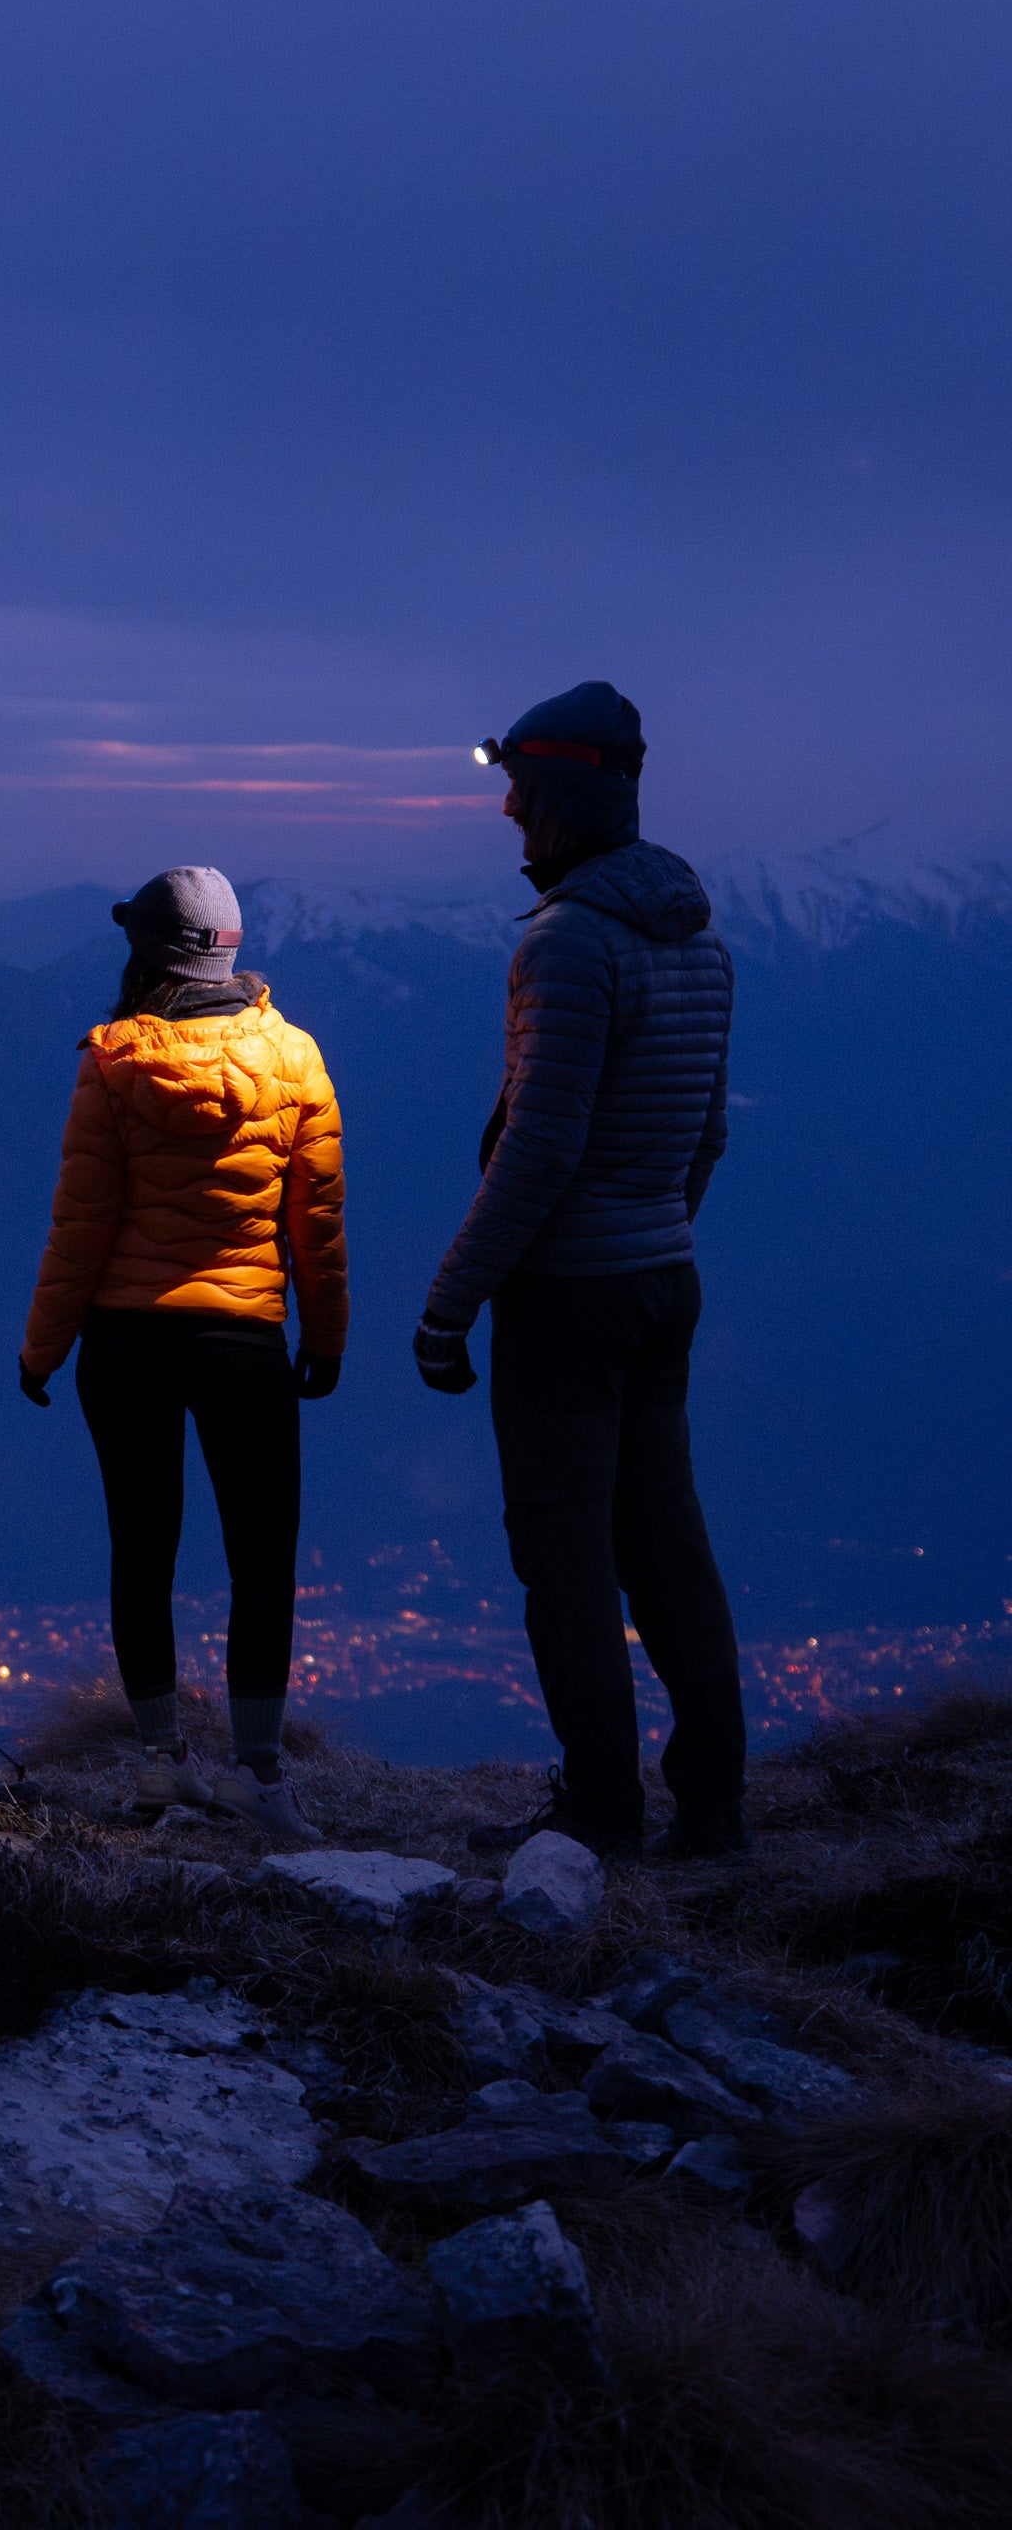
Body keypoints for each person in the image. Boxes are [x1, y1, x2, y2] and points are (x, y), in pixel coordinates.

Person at [414, 681, 746, 1863]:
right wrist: (655, 1226)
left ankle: (600, 1808)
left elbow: (540, 1147)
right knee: (667, 1539)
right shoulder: (700, 941)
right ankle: (714, 1807)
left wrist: (449, 1305)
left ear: (561, 798)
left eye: (521, 791)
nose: (507, 812)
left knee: (566, 1557)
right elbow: (706, 1134)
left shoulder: (566, 946)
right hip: (665, 1277)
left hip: (567, 1296)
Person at [18, 867, 347, 1846]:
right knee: (262, 1560)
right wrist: (323, 1338)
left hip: (124, 1341)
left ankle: (164, 1766)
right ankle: (259, 1775)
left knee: (142, 1550)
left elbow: (79, 1224)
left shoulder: (114, 1060)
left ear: (148, 951)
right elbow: (316, 1225)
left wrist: (42, 1347)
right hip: (245, 1340)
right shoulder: (296, 1058)